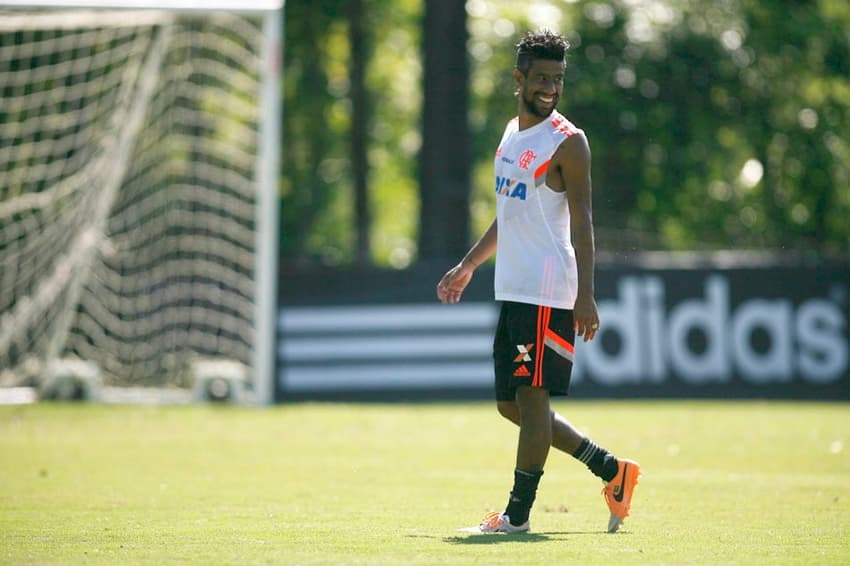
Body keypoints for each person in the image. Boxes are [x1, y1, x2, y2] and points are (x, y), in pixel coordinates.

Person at [437, 30, 640, 534]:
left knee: (531, 401)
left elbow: (583, 222)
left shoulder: (568, 143)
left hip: (549, 289)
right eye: (542, 78)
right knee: (513, 405)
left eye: (558, 79)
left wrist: (586, 295)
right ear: (519, 78)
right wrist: (469, 265)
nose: (550, 87)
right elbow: (509, 214)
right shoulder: (512, 133)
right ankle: (612, 470)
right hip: (512, 287)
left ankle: (517, 516)